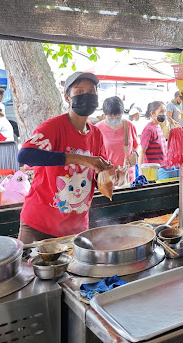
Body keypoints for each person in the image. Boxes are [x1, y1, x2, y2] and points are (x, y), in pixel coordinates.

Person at [16, 72, 112, 244]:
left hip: (76, 228)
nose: (87, 96)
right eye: (79, 92)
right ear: (68, 97)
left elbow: (98, 173)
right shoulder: (53, 128)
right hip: (39, 225)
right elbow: (25, 155)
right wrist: (80, 159)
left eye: (91, 91)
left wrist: (111, 174)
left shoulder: (96, 134)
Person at [95, 96, 139, 187]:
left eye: (117, 116)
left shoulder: (129, 126)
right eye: (111, 117)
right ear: (105, 113)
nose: (114, 119)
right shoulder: (97, 129)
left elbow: (136, 145)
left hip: (127, 175)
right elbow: (93, 154)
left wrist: (135, 153)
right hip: (107, 177)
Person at [139, 101, 168, 166]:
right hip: (152, 170)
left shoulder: (158, 126)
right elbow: (142, 152)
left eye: (164, 112)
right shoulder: (149, 129)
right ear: (153, 113)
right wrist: (141, 174)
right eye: (161, 112)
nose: (163, 114)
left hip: (161, 168)